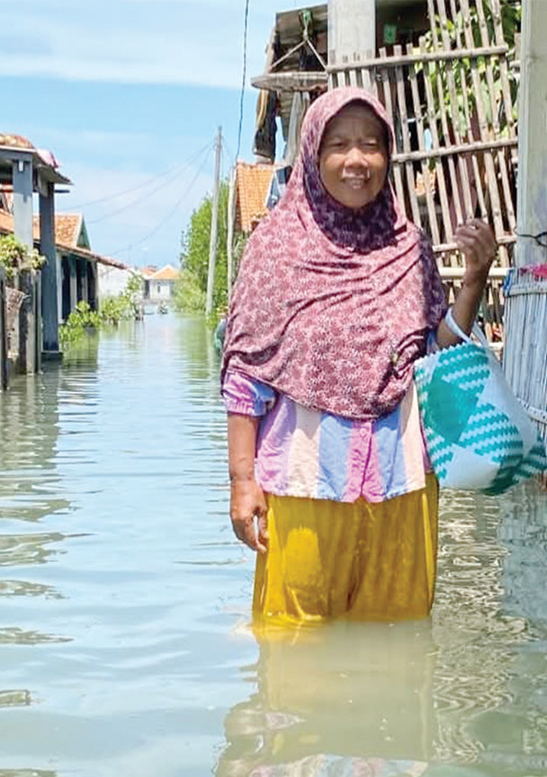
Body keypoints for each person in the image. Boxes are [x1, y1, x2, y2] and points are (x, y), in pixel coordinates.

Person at [221, 87, 497, 624]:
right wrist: (241, 482)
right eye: (340, 144)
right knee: (290, 649)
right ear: (312, 154)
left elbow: (433, 357)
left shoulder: (407, 247)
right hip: (303, 483)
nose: (357, 160)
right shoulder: (275, 247)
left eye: (371, 145)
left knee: (400, 639)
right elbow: (245, 375)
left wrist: (473, 281)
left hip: (403, 484)